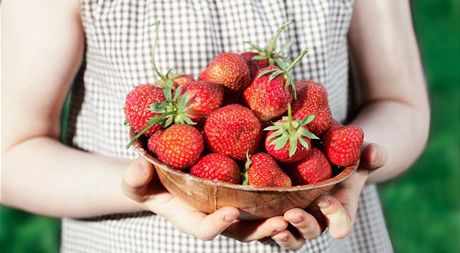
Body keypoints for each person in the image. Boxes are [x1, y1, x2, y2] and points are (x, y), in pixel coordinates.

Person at [2, 0, 430, 252]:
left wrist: (347, 172)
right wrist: (157, 187)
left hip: (331, 232)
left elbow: (400, 103)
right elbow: (12, 152)